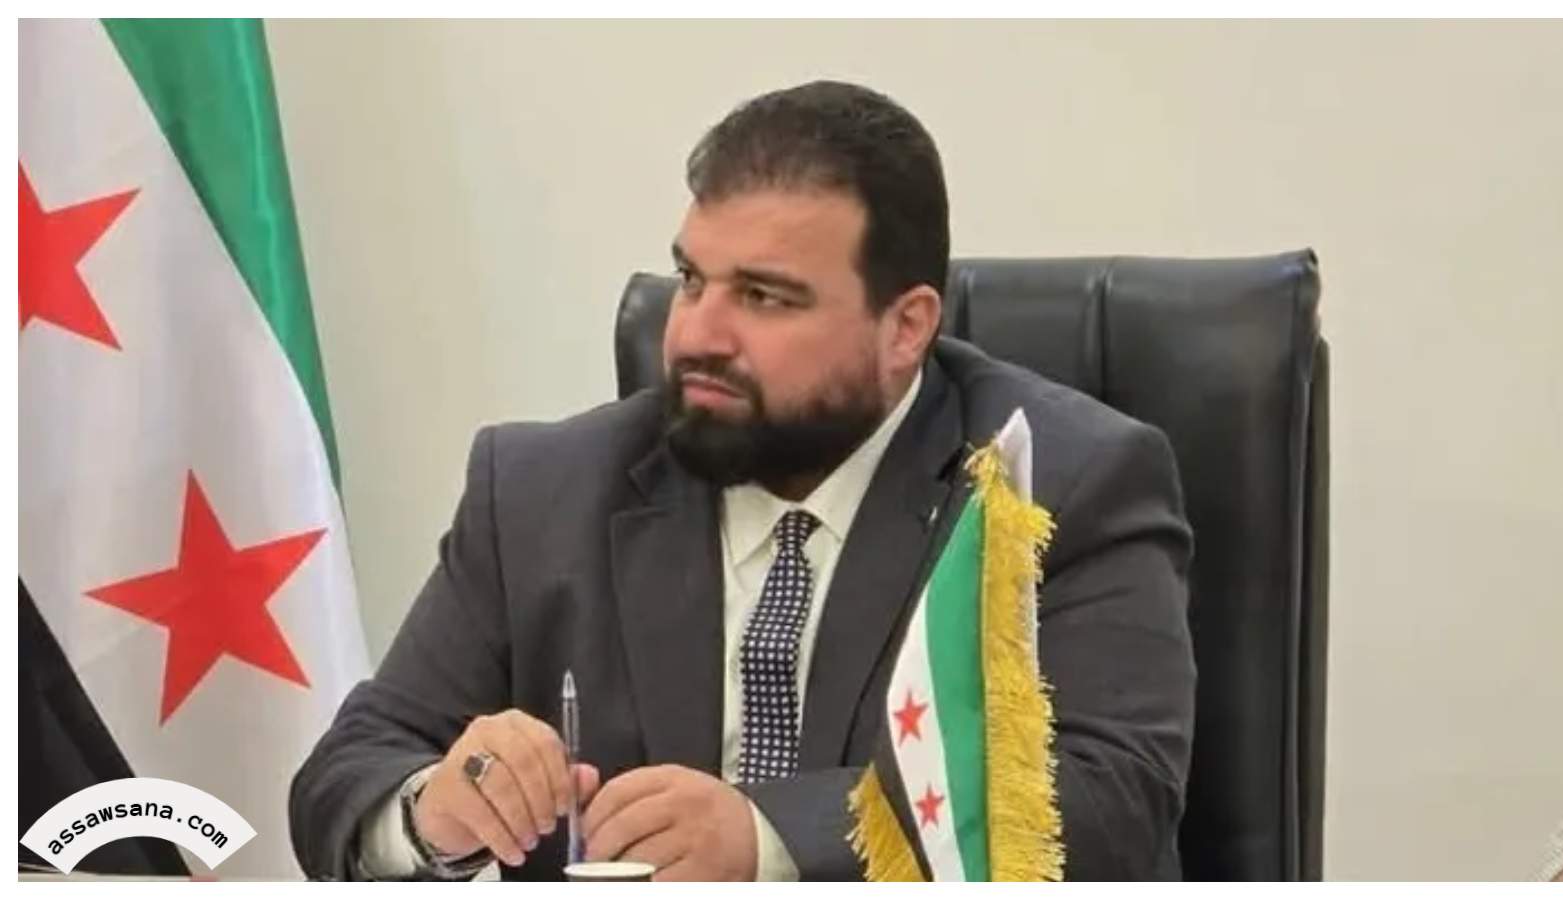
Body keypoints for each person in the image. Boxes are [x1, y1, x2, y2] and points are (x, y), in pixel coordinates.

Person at [288, 80, 1197, 881]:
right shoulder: (540, 491)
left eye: (763, 297)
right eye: (691, 279)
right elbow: (347, 773)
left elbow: (1109, 800)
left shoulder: (1055, 485)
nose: (695, 335)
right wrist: (431, 813)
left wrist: (769, 838)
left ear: (906, 327)